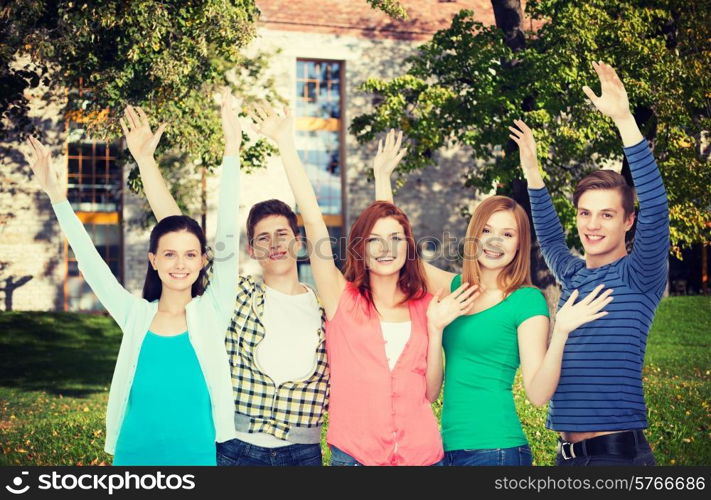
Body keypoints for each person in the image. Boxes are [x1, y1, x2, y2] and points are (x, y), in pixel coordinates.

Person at [247, 103, 479, 466]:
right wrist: (285, 145)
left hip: (423, 458)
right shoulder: (342, 299)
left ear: (409, 246)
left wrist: (435, 329)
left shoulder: (426, 306)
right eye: (374, 241)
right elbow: (312, 216)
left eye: (397, 240)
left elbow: (431, 393)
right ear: (360, 248)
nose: (386, 249)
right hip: (355, 457)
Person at [22, 90, 240, 465]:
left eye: (190, 254)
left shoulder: (213, 311)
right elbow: (91, 264)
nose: (180, 264)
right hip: (133, 456)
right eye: (169, 254)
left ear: (204, 261)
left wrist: (232, 148)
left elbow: (228, 237)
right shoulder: (136, 315)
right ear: (153, 260)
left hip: (196, 458)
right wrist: (56, 193)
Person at [374, 131, 612, 466]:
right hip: (446, 449)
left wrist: (561, 333)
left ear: (519, 244)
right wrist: (383, 178)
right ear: (474, 235)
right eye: (487, 230)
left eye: (507, 234)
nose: (495, 241)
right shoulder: (455, 288)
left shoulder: (526, 301)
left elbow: (538, 393)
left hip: (497, 450)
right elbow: (401, 255)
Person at [126, 94, 328, 466]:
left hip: (303, 452)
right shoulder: (235, 295)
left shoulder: (325, 304)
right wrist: (145, 161)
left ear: (298, 242)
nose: (274, 244)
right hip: (238, 449)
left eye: (282, 234)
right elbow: (178, 230)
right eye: (262, 238)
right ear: (251, 249)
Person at [512, 61, 669, 466]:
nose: (592, 225)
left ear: (628, 220)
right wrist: (532, 171)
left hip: (615, 458)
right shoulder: (574, 274)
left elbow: (656, 204)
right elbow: (548, 235)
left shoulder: (640, 274)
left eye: (606, 214)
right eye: (585, 213)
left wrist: (624, 120)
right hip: (566, 457)